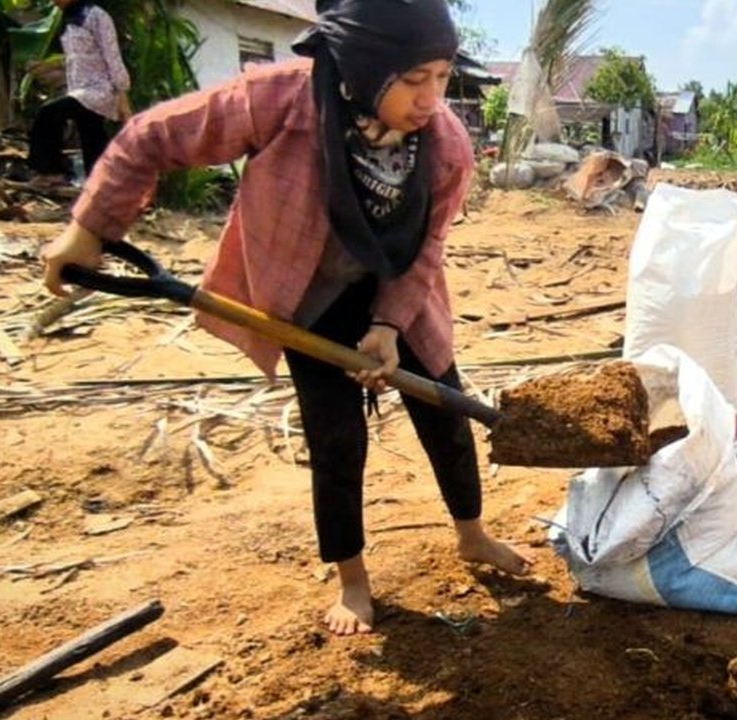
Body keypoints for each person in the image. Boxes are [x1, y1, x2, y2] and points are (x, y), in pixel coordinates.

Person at [39, 0, 532, 636]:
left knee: (445, 415)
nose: (430, 98)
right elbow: (150, 138)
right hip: (307, 300)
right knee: (336, 440)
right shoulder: (280, 100)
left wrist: (386, 327)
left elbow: (427, 251)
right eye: (413, 80)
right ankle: (352, 579)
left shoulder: (447, 148)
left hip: (402, 293)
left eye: (441, 77)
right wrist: (89, 229)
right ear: (367, 65)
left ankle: (473, 534)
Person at [27, 0, 132, 186]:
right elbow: (76, 59)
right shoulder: (69, 19)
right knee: (92, 136)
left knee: (49, 113)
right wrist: (46, 68)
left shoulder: (97, 16)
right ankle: (101, 183)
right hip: (80, 90)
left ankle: (51, 171)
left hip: (99, 91)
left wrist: (122, 95)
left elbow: (113, 57)